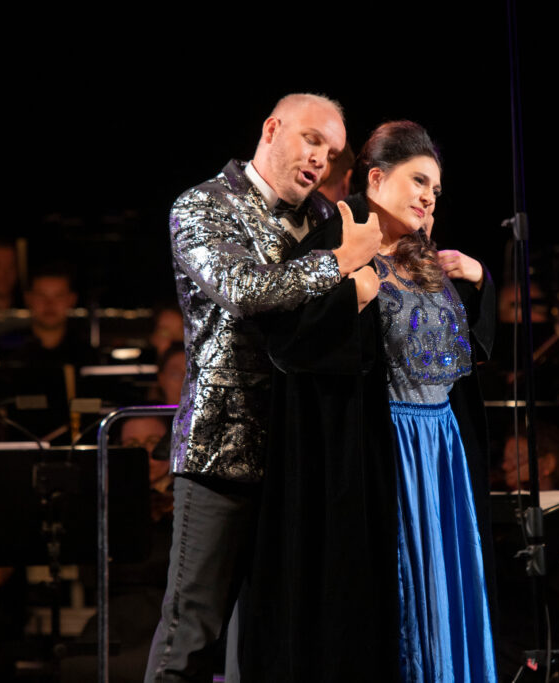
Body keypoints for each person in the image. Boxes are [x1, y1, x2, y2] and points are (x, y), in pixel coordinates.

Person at [242, 120, 497, 682]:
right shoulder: (335, 244)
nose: (431, 196)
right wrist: (349, 290)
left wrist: (480, 281)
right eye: (419, 181)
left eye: (437, 188)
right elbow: (291, 342)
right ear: (376, 180)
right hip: (384, 449)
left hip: (443, 452)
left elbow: (465, 353)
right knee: (392, 596)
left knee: (447, 583)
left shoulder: (425, 259)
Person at [143, 93, 380, 683]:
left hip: (300, 461)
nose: (320, 159)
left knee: (271, 638)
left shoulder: (327, 221)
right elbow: (243, 288)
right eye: (310, 140)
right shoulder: (202, 205)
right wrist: (339, 265)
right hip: (222, 455)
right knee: (192, 632)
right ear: (272, 129)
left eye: (329, 151)